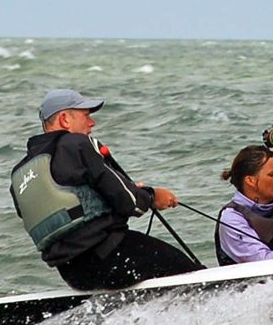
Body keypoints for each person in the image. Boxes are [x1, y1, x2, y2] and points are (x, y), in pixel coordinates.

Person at [10, 88, 203, 291]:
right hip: (111, 255)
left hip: (74, 275)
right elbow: (130, 203)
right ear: (65, 119)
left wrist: (127, 191)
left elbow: (72, 206)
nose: (92, 123)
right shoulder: (76, 143)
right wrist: (152, 196)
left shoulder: (21, 173)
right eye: (86, 116)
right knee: (193, 275)